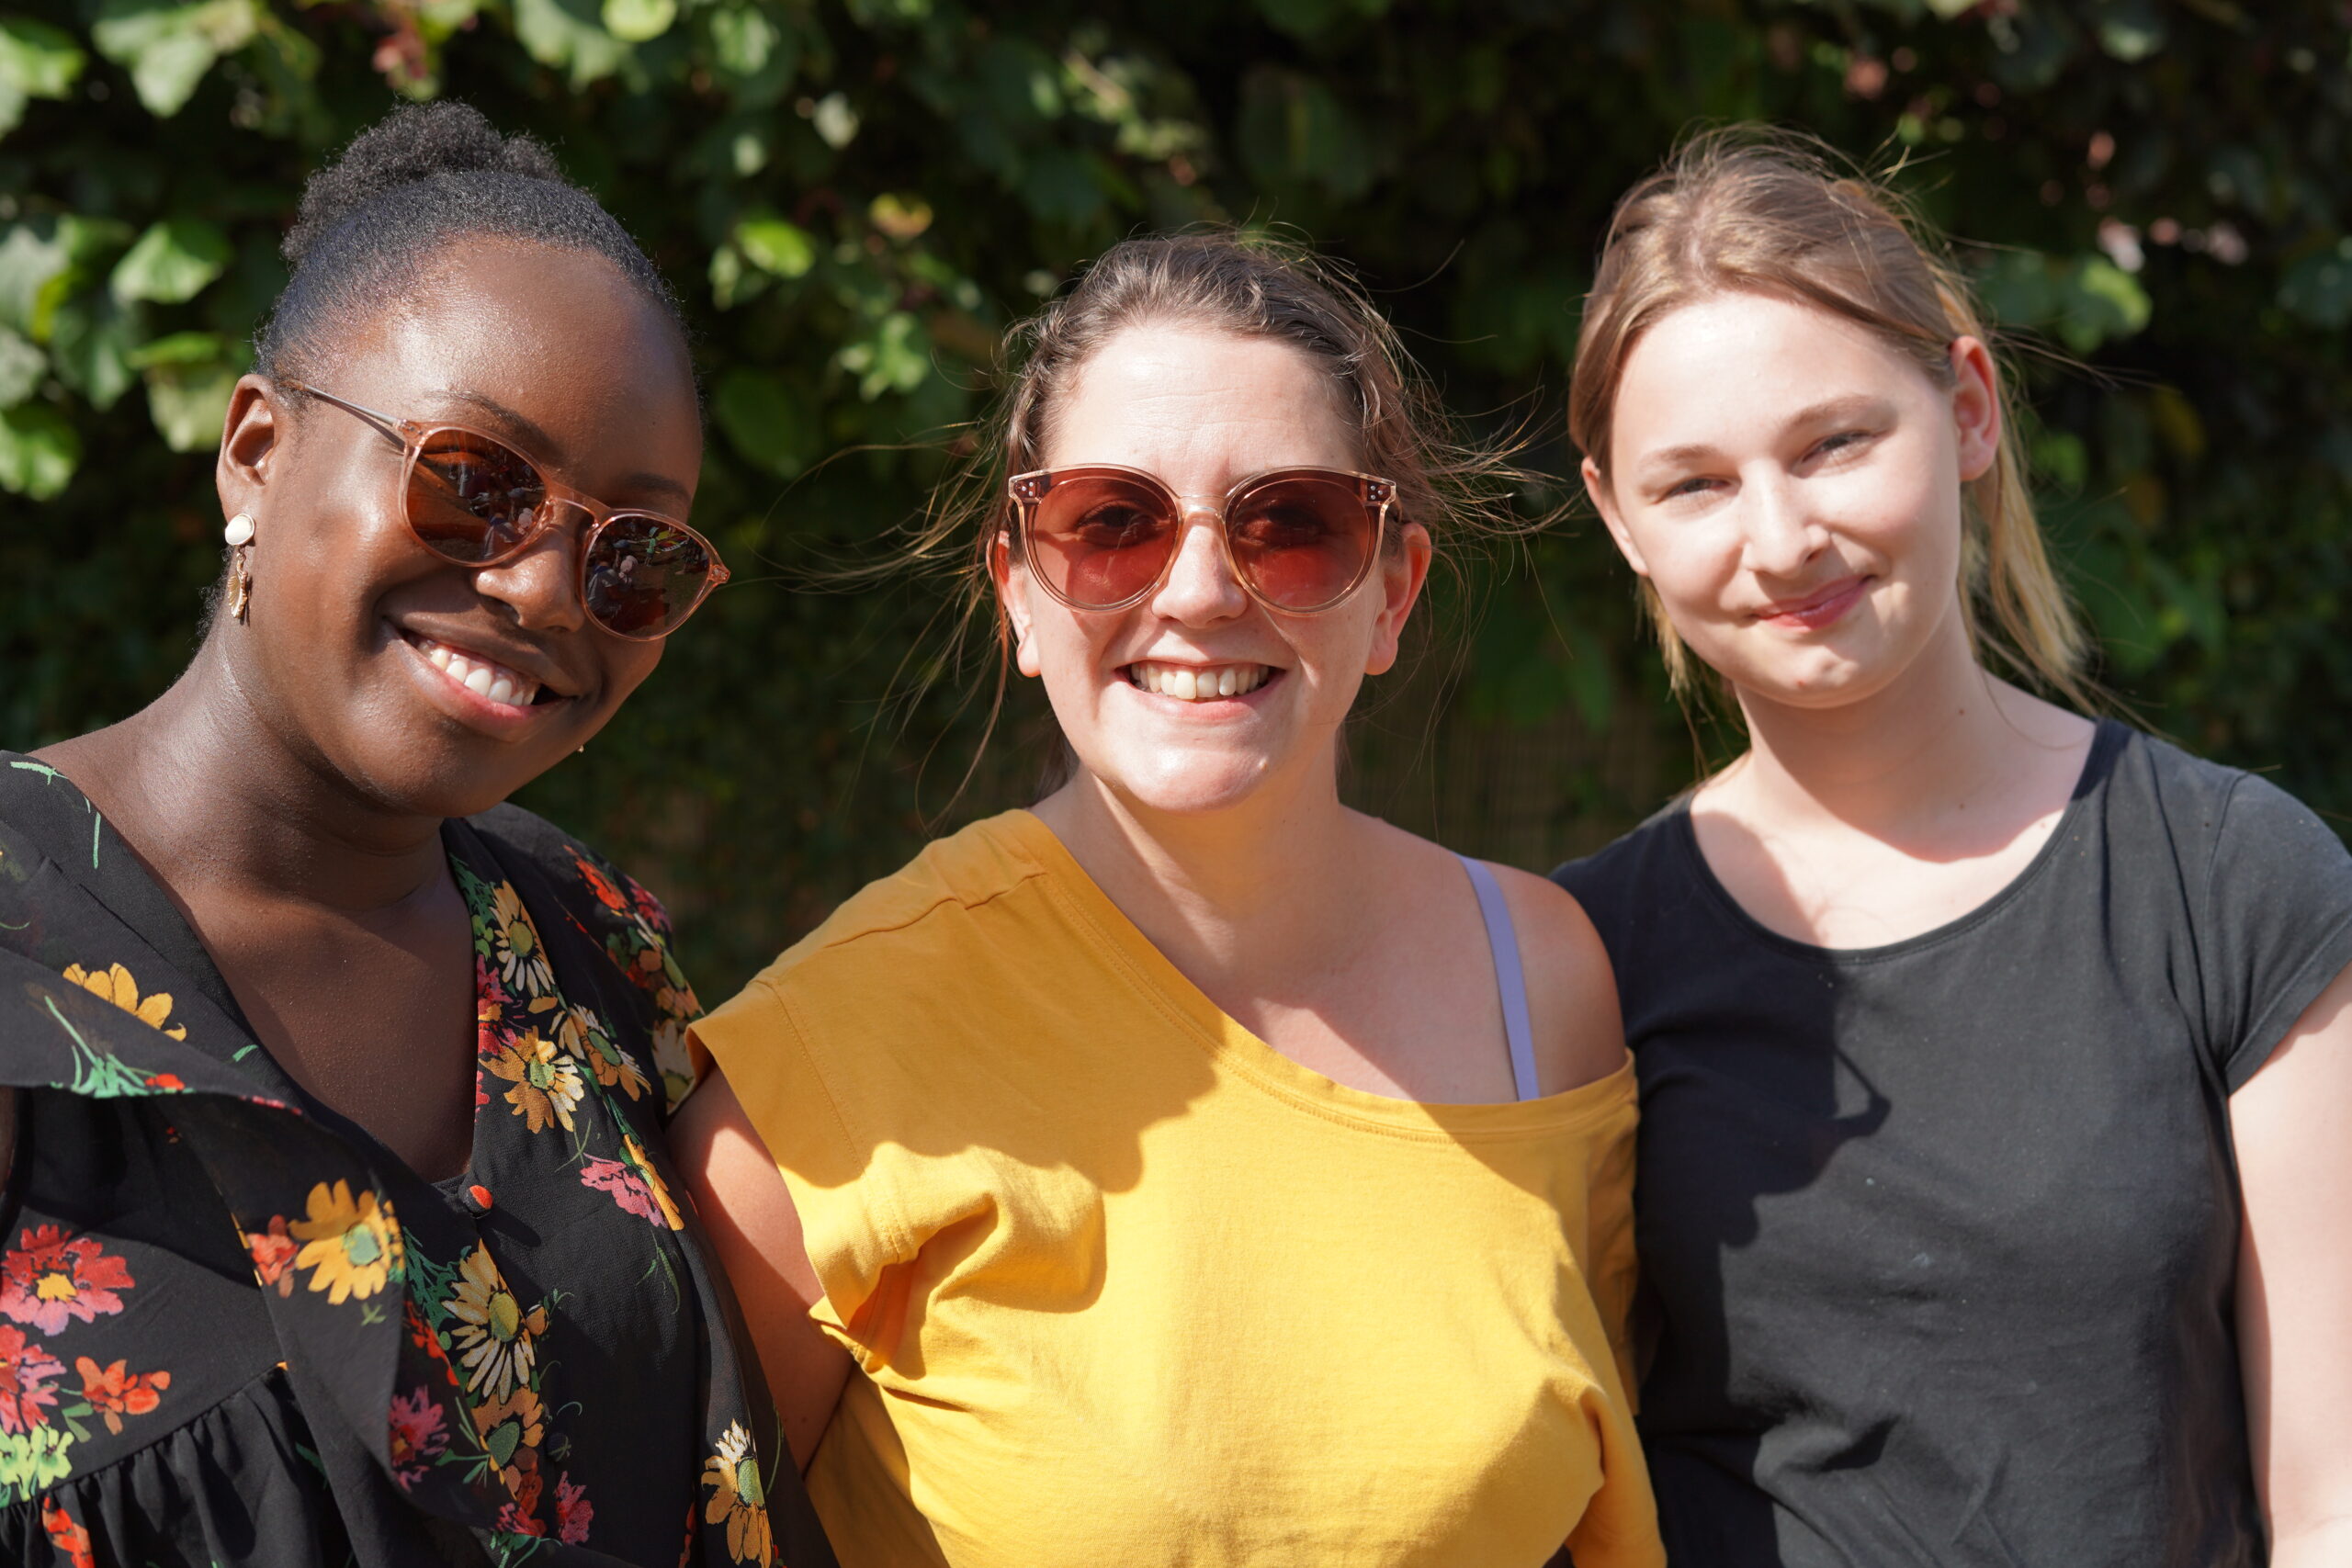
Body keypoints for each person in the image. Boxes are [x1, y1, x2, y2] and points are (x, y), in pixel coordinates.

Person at [673, 232, 1664, 1568]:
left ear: (1392, 596)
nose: (1199, 590)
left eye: (1293, 525)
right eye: (1112, 524)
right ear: (1018, 594)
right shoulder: (830, 1060)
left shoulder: (1538, 982)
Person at [0, 103, 833, 1567]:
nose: (544, 590)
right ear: (254, 454)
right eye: (476, 482)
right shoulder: (18, 954)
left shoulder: (586, 945)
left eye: (634, 552)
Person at [1552, 130, 2352, 1568]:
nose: (1783, 538)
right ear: (1618, 520)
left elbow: (2333, 1504)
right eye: (1695, 484)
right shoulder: (1578, 962)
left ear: (1968, 407)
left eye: (1835, 443)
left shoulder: (2238, 884)